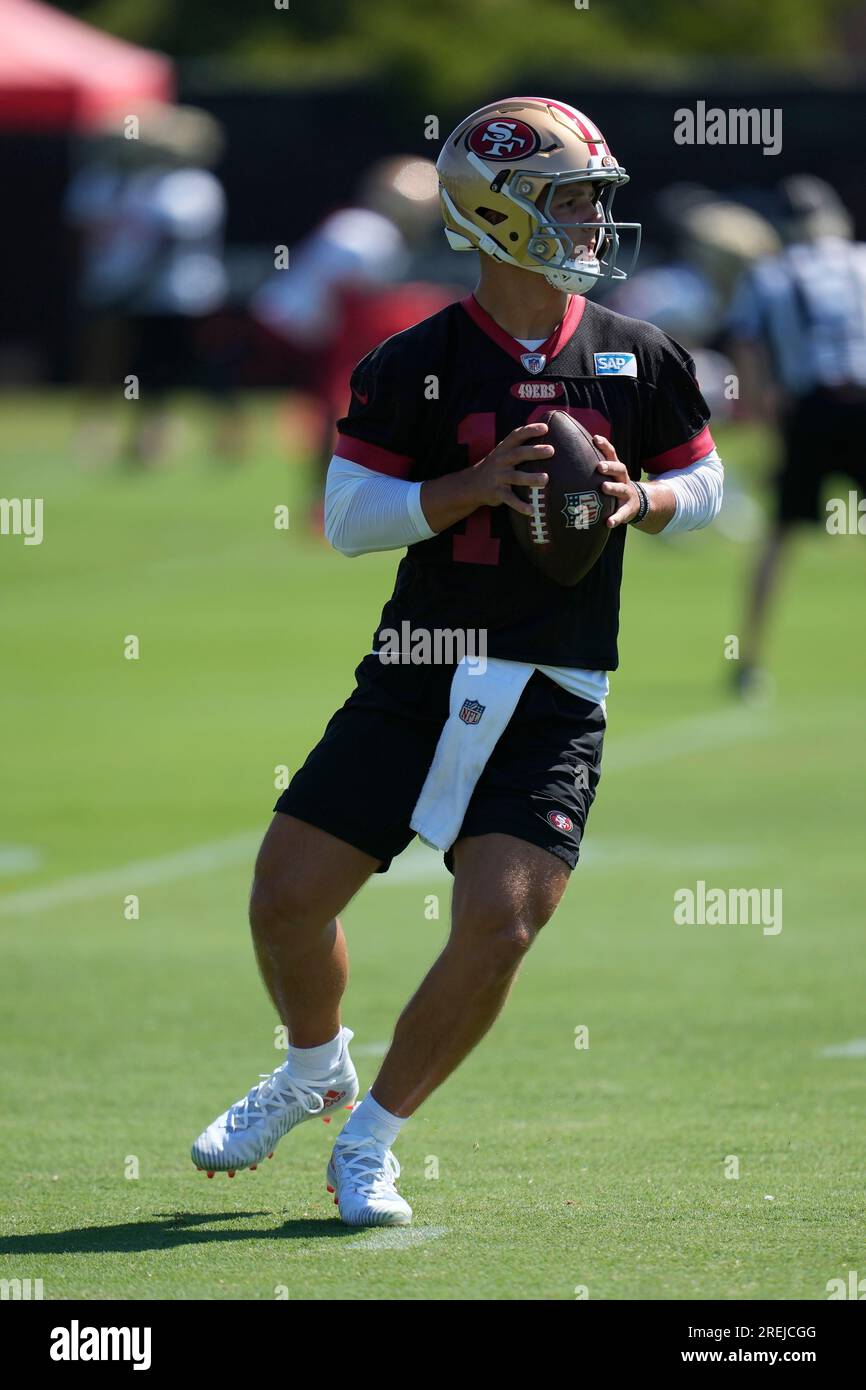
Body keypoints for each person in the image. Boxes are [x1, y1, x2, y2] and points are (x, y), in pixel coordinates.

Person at [191, 97, 724, 1226]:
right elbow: (345, 514)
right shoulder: (415, 361)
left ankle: (370, 1139)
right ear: (496, 212)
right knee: (285, 900)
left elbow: (710, 485)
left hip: (555, 684)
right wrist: (465, 491)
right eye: (567, 196)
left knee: (501, 920)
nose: (590, 217)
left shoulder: (638, 354)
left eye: (591, 196)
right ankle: (309, 1068)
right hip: (420, 669)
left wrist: (651, 498)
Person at [727, 175, 866, 694]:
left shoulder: (769, 274)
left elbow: (748, 347)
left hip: (811, 410)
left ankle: (750, 659)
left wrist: (762, 419)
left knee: (780, 535)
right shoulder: (860, 262)